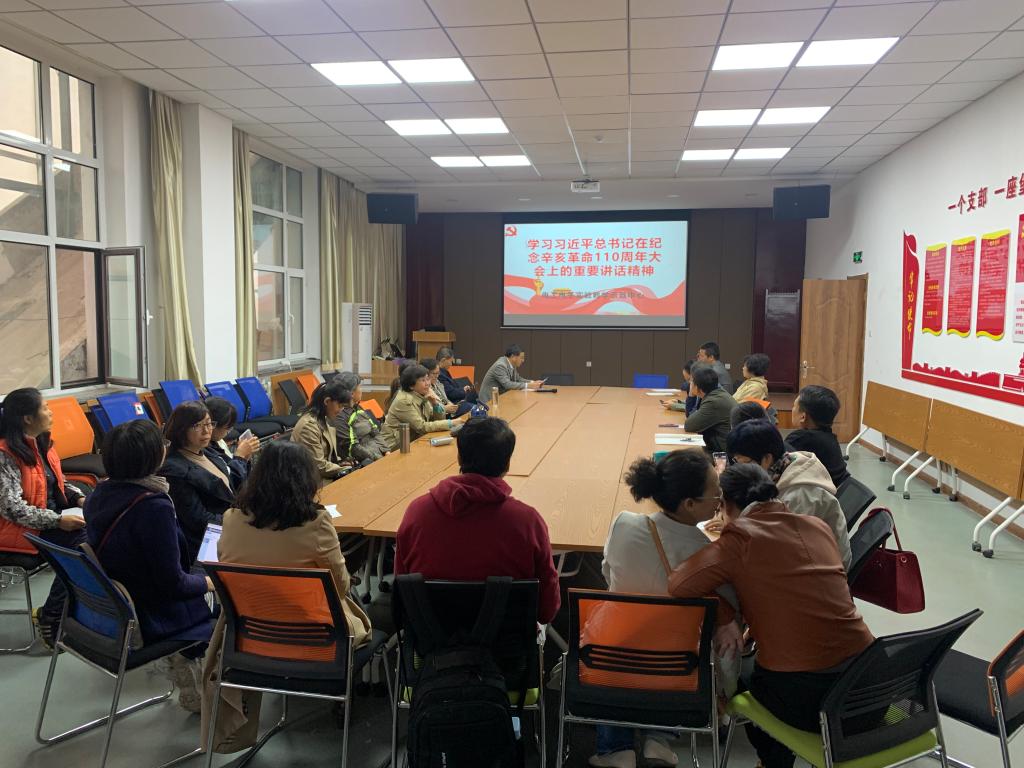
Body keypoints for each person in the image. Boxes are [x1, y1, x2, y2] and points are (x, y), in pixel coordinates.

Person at [668, 463, 874, 768]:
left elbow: (678, 584)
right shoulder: (817, 526)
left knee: (741, 676)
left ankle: (772, 761)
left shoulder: (740, 539)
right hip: (868, 684)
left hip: (804, 697)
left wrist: (724, 614)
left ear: (726, 504)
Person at [202, 440, 371, 750]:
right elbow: (342, 586)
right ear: (306, 480)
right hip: (320, 645)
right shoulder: (317, 523)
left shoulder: (231, 519)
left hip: (250, 641)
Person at [595, 450, 739, 768]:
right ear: (689, 504)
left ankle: (616, 749)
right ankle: (658, 739)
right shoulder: (708, 553)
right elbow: (729, 609)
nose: (720, 498)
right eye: (716, 491)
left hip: (609, 656)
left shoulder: (623, 524)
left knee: (618, 635)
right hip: (677, 668)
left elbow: (608, 574)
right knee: (678, 646)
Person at [84, 419, 215, 712]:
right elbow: (174, 584)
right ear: (153, 457)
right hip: (153, 611)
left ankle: (186, 665)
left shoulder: (98, 494)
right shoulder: (153, 506)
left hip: (117, 601)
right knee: (229, 591)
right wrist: (211, 583)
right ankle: (196, 675)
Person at [395, 417, 560, 624]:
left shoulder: (416, 513)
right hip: (508, 640)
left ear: (459, 457)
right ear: (507, 463)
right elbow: (547, 611)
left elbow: (402, 593)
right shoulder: (528, 521)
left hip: (429, 638)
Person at [0, 388, 86, 647]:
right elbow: (12, 509)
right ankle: (52, 615)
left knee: (99, 534)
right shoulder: (5, 454)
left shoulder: (43, 444)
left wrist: (78, 498)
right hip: (17, 530)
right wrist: (57, 521)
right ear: (28, 418)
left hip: (48, 519)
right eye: (45, 408)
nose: (50, 413)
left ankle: (63, 610)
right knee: (84, 547)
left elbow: (58, 482)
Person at [726, 419, 851, 570]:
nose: (738, 468)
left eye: (743, 463)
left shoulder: (798, 496)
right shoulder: (783, 466)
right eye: (735, 461)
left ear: (767, 459)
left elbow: (778, 550)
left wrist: (735, 527)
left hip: (821, 571)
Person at [161, 401, 240, 566]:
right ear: (182, 429)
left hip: (230, 526)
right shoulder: (174, 469)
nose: (207, 431)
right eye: (197, 426)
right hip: (207, 541)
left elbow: (230, 488)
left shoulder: (207, 451)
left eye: (209, 424)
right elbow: (198, 519)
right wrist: (238, 521)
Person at [380, 364, 469, 451]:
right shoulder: (404, 401)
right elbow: (422, 427)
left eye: (427, 379)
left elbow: (438, 419)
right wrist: (451, 423)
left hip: (413, 441)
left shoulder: (422, 395)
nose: (428, 384)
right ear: (411, 386)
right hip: (395, 448)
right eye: (423, 380)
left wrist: (435, 404)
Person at [787, 385, 851, 488]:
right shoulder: (830, 438)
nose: (792, 409)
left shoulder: (800, 438)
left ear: (803, 417)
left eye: (794, 406)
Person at [291, 380, 352, 485]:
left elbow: (328, 457)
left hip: (323, 475)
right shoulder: (308, 427)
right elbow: (319, 466)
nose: (341, 410)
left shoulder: (323, 418)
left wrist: (340, 464)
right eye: (340, 406)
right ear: (327, 401)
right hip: (312, 482)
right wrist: (346, 469)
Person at [669, 364, 735, 453]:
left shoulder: (713, 402)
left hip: (721, 452)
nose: (690, 384)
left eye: (692, 382)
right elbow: (691, 415)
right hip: (721, 445)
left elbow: (689, 425)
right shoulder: (716, 393)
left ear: (698, 387)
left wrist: (691, 394)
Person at [333, 371, 390, 464]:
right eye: (359, 387)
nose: (361, 390)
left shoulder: (357, 408)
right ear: (351, 393)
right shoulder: (340, 416)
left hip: (379, 455)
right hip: (365, 462)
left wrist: (386, 451)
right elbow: (353, 448)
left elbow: (375, 432)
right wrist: (378, 459)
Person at [204, 397, 260, 487]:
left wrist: (245, 457)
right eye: (227, 428)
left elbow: (243, 478)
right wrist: (239, 456)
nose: (228, 432)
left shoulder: (217, 442)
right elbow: (231, 482)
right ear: (213, 426)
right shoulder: (205, 452)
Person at [478, 344, 543, 399]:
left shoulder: (512, 364)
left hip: (500, 398)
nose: (523, 360)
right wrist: (529, 385)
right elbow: (507, 384)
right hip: (489, 402)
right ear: (513, 357)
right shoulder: (500, 365)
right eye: (521, 357)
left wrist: (533, 382)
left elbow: (518, 379)